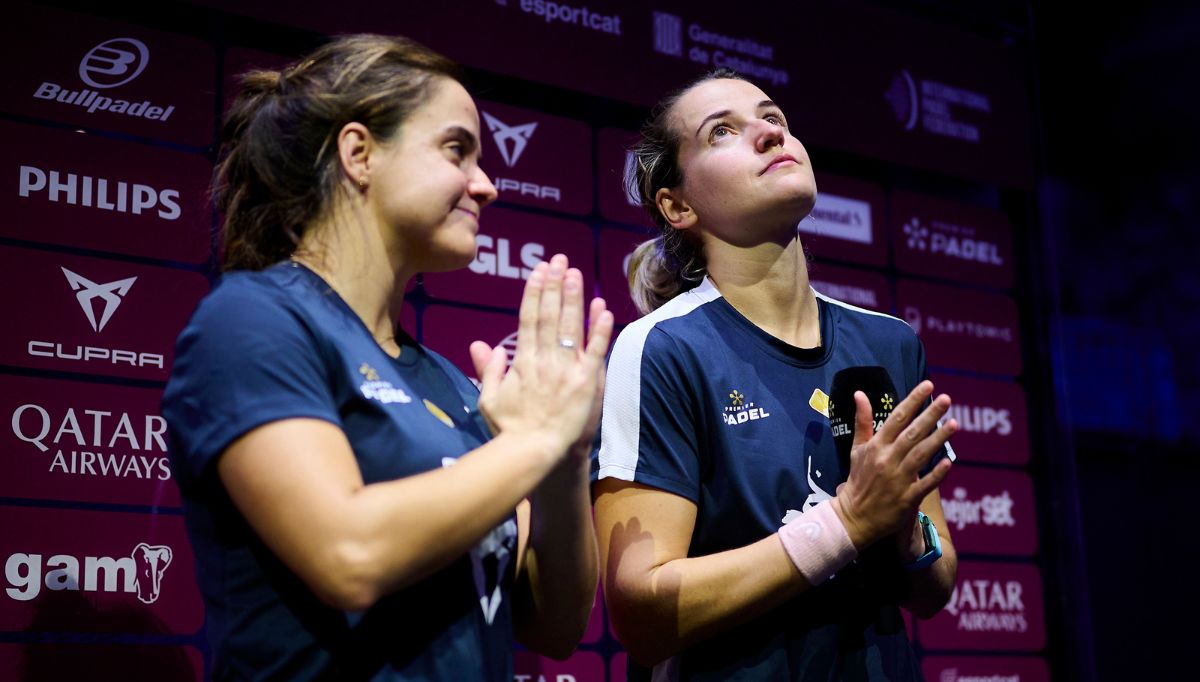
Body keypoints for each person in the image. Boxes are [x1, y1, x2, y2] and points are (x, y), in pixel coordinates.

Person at [162, 34, 612, 681]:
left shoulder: (451, 383)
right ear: (359, 154)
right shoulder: (252, 319)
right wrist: (536, 439)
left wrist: (565, 458)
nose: (485, 186)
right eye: (456, 149)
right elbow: (348, 554)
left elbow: (554, 625)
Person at [592, 69, 959, 681]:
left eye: (773, 118)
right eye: (721, 132)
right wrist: (847, 523)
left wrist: (903, 532)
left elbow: (934, 586)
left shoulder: (889, 343)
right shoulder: (661, 348)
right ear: (678, 206)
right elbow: (643, 616)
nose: (768, 134)